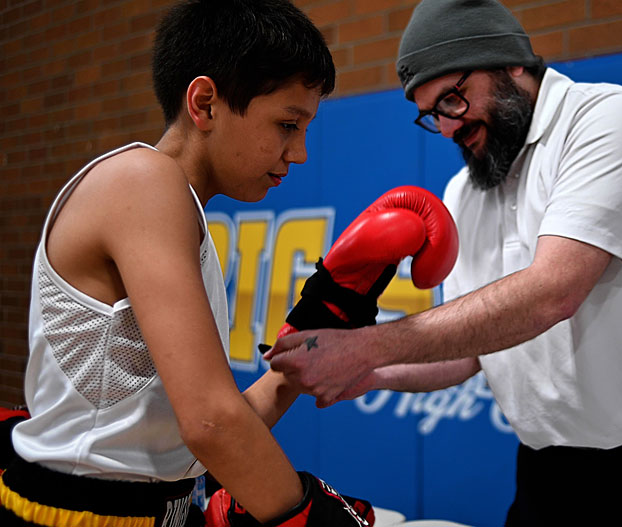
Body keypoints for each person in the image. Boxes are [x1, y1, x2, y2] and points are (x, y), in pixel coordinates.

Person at [265, 0, 622, 525]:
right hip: (549, 471)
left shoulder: (607, 119)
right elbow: (470, 352)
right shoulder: (466, 190)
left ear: (510, 62)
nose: (447, 128)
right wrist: (371, 371)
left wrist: (363, 346)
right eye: (431, 114)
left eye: (452, 98)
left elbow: (552, 293)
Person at [0, 1, 374, 526]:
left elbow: (194, 434)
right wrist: (305, 515)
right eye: (288, 124)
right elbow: (210, 423)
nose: (300, 152)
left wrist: (317, 328)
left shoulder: (177, 212)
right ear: (205, 103)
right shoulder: (143, 181)